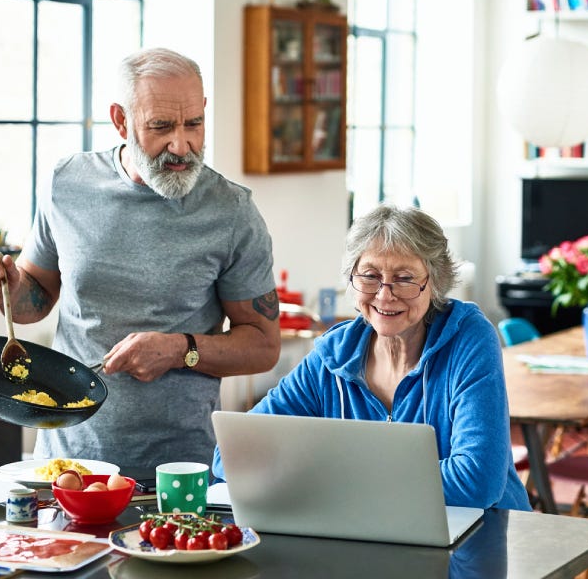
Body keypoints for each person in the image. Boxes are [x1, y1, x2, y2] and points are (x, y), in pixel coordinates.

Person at [0, 47, 281, 470]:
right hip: (66, 463)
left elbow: (263, 345)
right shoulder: (67, 183)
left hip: (178, 469)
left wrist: (179, 349)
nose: (181, 144)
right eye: (161, 126)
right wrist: (5, 287)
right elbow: (35, 300)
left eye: (194, 124)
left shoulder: (232, 212)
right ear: (120, 120)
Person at [213, 204, 531, 511]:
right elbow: (230, 455)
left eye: (405, 278)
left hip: (481, 538)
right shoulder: (332, 356)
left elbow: (477, 481)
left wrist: (334, 477)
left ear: (434, 282)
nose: (384, 294)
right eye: (369, 275)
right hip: (375, 535)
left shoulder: (468, 339)